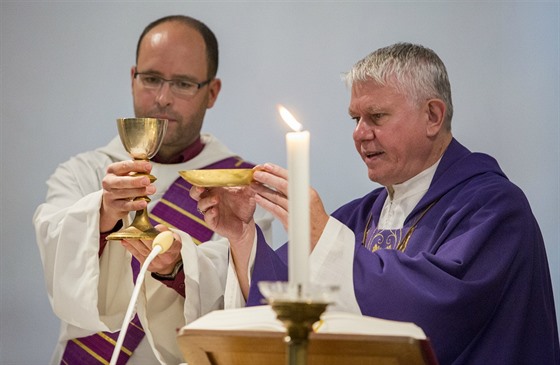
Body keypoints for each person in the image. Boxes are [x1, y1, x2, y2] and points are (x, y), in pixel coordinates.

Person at [191, 42, 560, 364]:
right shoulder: (361, 215)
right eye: (355, 118)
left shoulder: (494, 209)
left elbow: (428, 317)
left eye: (376, 117)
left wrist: (320, 234)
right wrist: (242, 237)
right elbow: (283, 300)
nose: (359, 133)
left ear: (433, 115)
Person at [33, 15, 273, 365]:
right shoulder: (83, 172)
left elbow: (242, 298)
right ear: (133, 79)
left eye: (183, 84)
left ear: (212, 92)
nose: (162, 98)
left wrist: (176, 266)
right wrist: (100, 217)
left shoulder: (239, 186)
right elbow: (57, 251)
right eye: (151, 79)